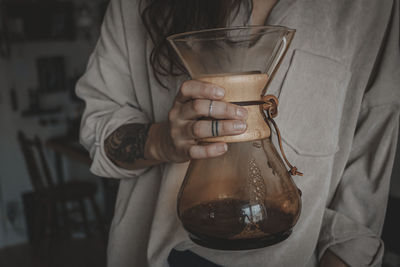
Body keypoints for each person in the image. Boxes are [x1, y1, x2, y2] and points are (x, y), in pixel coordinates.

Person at [76, 0, 400, 266]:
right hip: (157, 254)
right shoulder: (135, 5)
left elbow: (368, 158)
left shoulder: (372, 9)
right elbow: (98, 124)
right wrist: (161, 141)